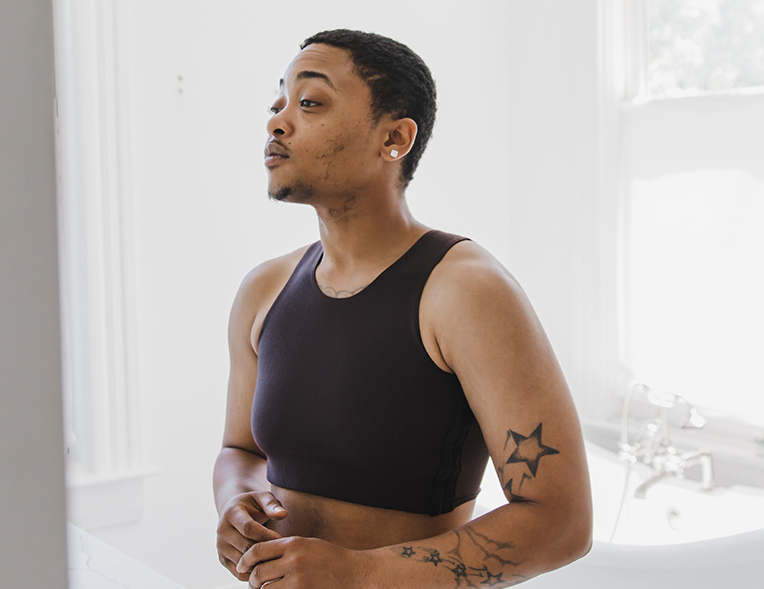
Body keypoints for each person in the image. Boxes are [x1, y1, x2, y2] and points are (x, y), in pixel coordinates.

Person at [213, 29, 592, 589]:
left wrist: (360, 573)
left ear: (394, 137)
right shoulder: (264, 288)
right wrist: (236, 503)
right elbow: (239, 449)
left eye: (310, 102)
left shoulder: (466, 290)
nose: (278, 121)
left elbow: (562, 522)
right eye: (278, 104)